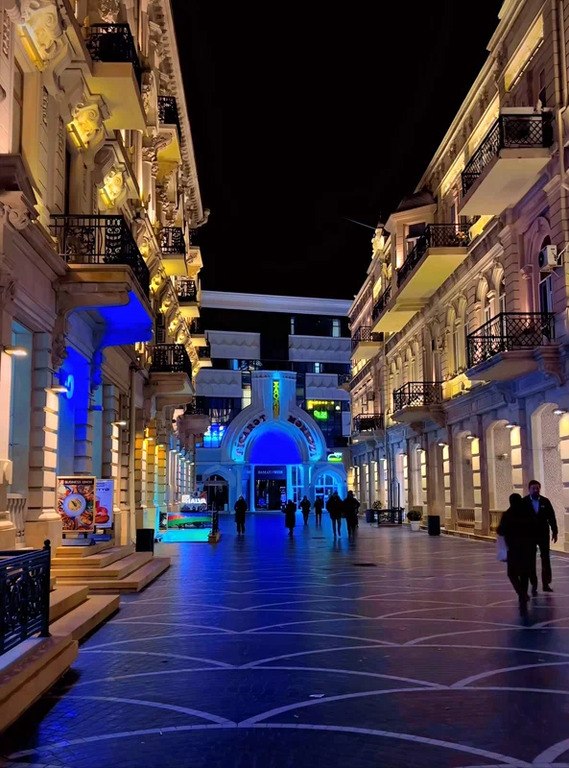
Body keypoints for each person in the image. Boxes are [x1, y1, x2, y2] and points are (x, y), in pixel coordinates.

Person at [497, 492, 537, 612]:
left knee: (512, 573)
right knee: (524, 574)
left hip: (513, 549)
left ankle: (521, 593)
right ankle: (523, 594)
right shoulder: (528, 513)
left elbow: (501, 530)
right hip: (527, 548)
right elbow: (535, 528)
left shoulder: (508, 514)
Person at [524, 479, 558, 593]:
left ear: (540, 489)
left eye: (537, 488)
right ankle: (533, 584)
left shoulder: (545, 501)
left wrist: (555, 531)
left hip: (543, 534)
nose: (535, 490)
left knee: (545, 558)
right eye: (533, 488)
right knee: (530, 560)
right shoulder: (524, 502)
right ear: (529, 489)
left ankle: (546, 583)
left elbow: (551, 517)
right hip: (529, 535)